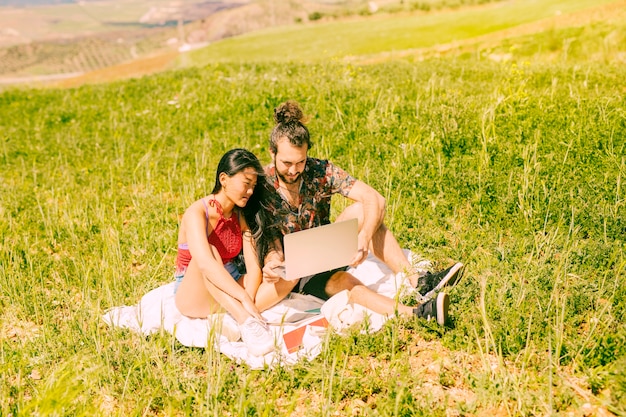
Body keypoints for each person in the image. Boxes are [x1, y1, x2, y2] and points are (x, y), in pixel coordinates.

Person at [259, 101, 464, 325]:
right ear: (272, 153)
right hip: (295, 271)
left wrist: (364, 237)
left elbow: (375, 199)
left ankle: (419, 282)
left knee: (363, 210)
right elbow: (260, 238)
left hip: (324, 248)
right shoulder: (262, 185)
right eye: (286, 163)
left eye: (300, 162)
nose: (293, 170)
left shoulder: (319, 170)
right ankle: (418, 313)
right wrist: (272, 261)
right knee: (345, 282)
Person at [174, 148, 278, 356]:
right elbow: (204, 263)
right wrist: (243, 299)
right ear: (224, 179)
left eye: (253, 186)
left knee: (285, 278)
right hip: (195, 292)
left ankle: (242, 313)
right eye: (246, 184)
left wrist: (248, 297)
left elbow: (253, 267)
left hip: (231, 287)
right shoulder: (197, 212)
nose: (250, 191)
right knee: (210, 253)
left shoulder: (240, 214)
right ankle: (245, 320)